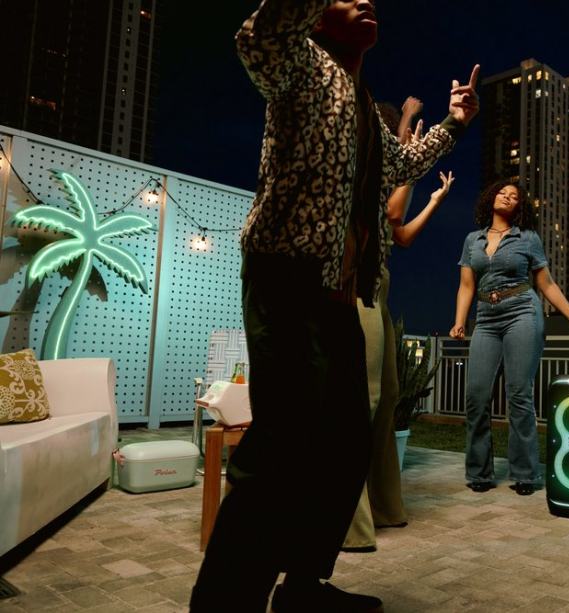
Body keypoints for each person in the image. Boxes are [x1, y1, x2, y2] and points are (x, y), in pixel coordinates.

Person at [189, 1, 479, 610]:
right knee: (280, 446)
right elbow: (257, 37)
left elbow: (401, 163)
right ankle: (225, 601)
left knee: (346, 445)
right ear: (317, 16)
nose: (366, 1)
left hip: (339, 295)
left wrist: (454, 123)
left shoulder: (362, 101)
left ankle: (303, 588)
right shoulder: (298, 62)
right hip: (286, 276)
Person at [343, 99, 455, 551]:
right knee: (365, 397)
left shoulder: (385, 169)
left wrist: (433, 199)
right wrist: (409, 138)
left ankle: (384, 505)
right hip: (355, 281)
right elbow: (392, 216)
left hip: (380, 283)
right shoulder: (363, 166)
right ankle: (345, 522)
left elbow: (400, 235)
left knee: (387, 396)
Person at [450, 180, 569, 496]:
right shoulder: (472, 239)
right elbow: (466, 285)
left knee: (518, 393)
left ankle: (525, 474)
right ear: (491, 199)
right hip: (486, 318)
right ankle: (479, 472)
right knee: (476, 395)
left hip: (522, 312)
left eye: (514, 196)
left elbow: (546, 283)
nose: (507, 196)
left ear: (519, 206)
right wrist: (459, 322)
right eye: (502, 192)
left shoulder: (527, 238)